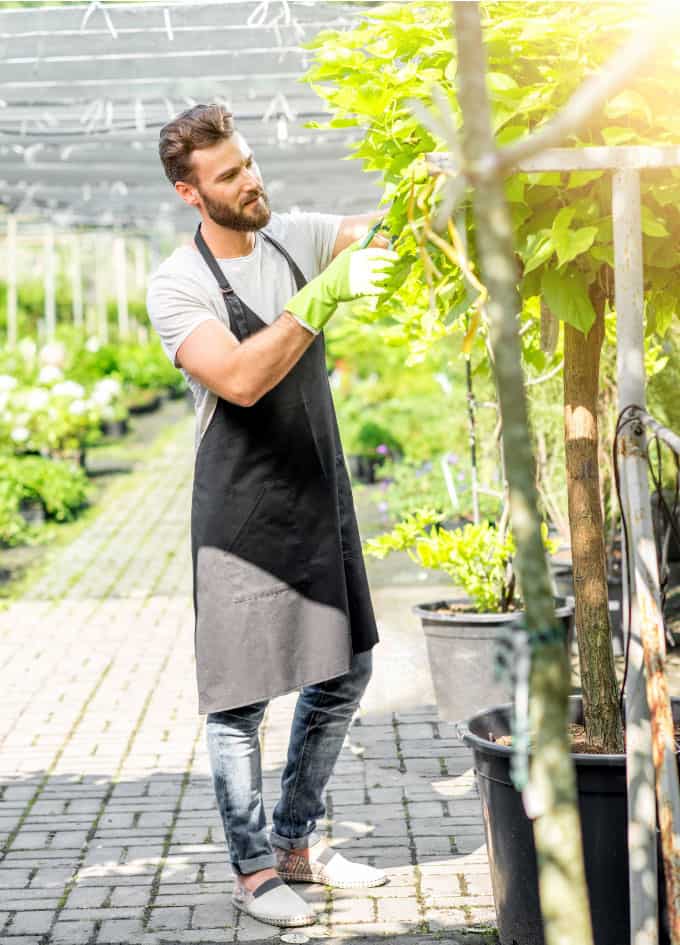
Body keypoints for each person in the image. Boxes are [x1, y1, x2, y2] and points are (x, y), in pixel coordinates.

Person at [146, 104, 399, 928]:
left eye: (249, 162)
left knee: (347, 668)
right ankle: (254, 871)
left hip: (317, 494)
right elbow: (243, 378)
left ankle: (296, 842)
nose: (250, 180)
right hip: (242, 519)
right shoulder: (177, 285)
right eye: (228, 175)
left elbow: (377, 227)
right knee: (239, 702)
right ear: (191, 192)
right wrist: (323, 294)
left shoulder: (294, 235)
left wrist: (433, 189)